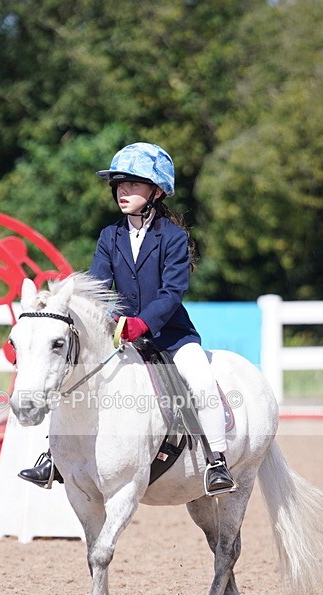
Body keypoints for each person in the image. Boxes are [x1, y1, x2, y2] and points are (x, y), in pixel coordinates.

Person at [19, 142, 236, 495]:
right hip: (120, 335)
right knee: (74, 377)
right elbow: (99, 289)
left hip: (171, 334)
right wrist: (108, 322)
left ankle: (217, 462)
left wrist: (144, 323)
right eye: (119, 184)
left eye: (133, 184)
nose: (123, 191)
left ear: (157, 190)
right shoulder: (110, 235)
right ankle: (52, 457)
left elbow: (172, 293)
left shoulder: (173, 238)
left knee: (200, 379)